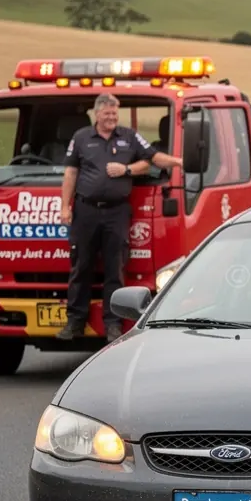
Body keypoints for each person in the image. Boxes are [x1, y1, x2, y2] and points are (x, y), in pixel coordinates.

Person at [56, 95, 182, 341]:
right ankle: (74, 322)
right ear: (96, 114)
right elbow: (71, 173)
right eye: (107, 114)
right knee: (81, 266)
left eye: (115, 113)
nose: (112, 118)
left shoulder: (129, 136)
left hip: (117, 212)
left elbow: (151, 160)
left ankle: (112, 324)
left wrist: (179, 162)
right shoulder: (81, 138)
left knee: (115, 269)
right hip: (86, 210)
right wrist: (65, 206)